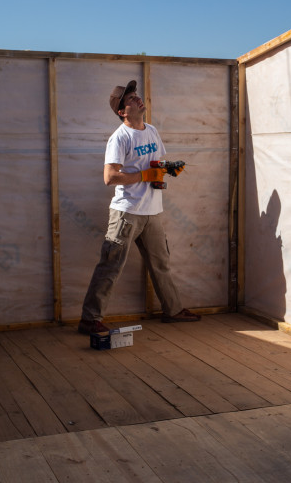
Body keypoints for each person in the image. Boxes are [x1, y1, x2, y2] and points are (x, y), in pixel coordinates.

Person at [78, 80, 201, 334]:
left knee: (161, 264)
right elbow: (109, 177)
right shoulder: (119, 138)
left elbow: (154, 163)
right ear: (122, 111)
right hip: (127, 212)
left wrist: (167, 169)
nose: (137, 99)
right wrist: (146, 176)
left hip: (152, 212)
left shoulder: (152, 130)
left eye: (136, 96)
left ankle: (174, 310)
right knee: (111, 265)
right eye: (130, 99)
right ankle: (89, 320)